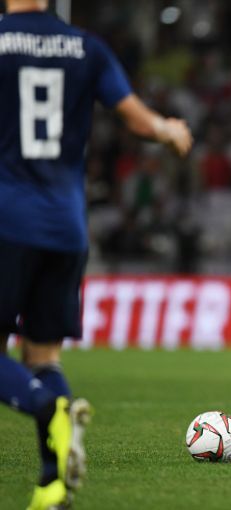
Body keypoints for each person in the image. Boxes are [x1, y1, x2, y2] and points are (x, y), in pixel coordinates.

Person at [0, 1, 192, 508]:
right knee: (43, 356)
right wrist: (170, 130)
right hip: (67, 226)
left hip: (7, 220)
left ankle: (46, 407)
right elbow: (138, 120)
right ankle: (51, 483)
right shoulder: (86, 47)